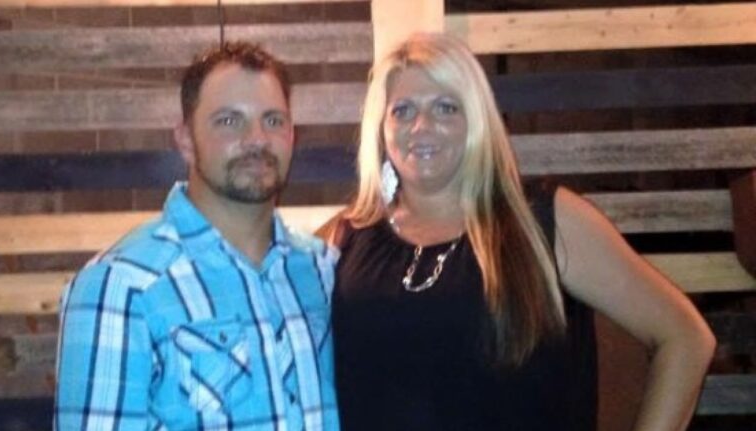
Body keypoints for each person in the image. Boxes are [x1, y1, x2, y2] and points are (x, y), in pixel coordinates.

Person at [319, 33, 715, 431]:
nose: (422, 126)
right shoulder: (343, 240)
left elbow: (686, 338)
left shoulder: (542, 222)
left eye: (446, 107)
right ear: (380, 130)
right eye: (402, 110)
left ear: (477, 120)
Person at [55, 41, 339, 431]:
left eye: (273, 120)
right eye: (229, 120)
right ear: (186, 140)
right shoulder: (119, 287)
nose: (256, 138)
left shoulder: (320, 271)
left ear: (292, 137)